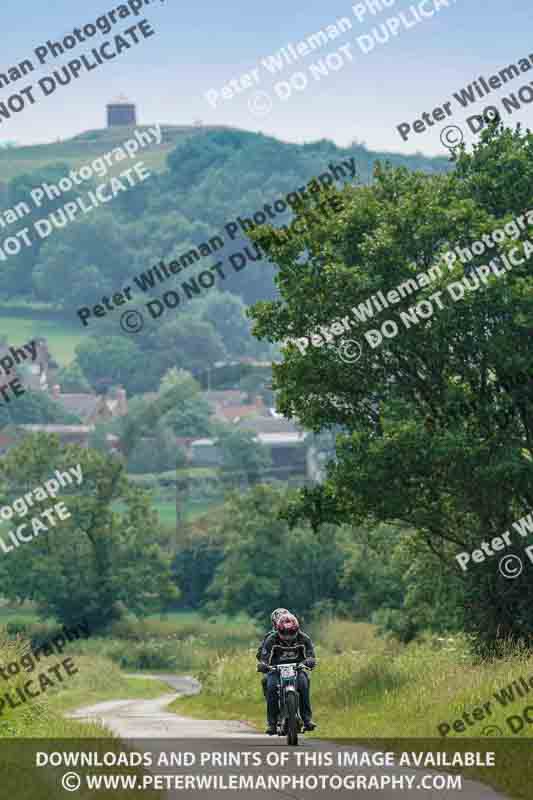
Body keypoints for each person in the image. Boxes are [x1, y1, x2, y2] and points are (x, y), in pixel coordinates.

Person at [256, 612, 316, 734]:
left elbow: (311, 655)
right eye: (284, 633)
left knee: (304, 684)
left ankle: (307, 719)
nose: (288, 636)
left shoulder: (304, 638)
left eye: (291, 633)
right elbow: (264, 656)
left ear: (297, 630)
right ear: (278, 630)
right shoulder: (271, 639)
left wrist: (309, 661)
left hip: (297, 669)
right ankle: (272, 723)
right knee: (271, 687)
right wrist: (264, 665)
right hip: (275, 670)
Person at [256, 608, 290, 700]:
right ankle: (272, 711)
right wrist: (264, 663)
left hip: (294, 668)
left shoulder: (297, 635)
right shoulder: (269, 636)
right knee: (266, 681)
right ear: (274, 623)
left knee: (304, 681)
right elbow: (260, 654)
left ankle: (305, 711)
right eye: (279, 622)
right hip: (275, 669)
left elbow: (306, 650)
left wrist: (308, 660)